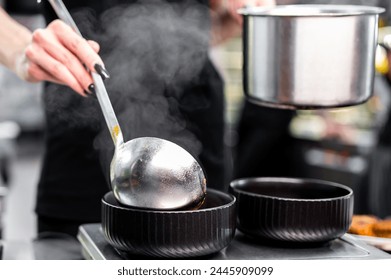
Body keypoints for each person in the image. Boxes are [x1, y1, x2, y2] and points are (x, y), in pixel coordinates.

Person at [0, 0, 273, 238]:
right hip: (78, 159)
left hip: (200, 140)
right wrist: (21, 49)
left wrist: (241, 12)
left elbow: (210, 26)